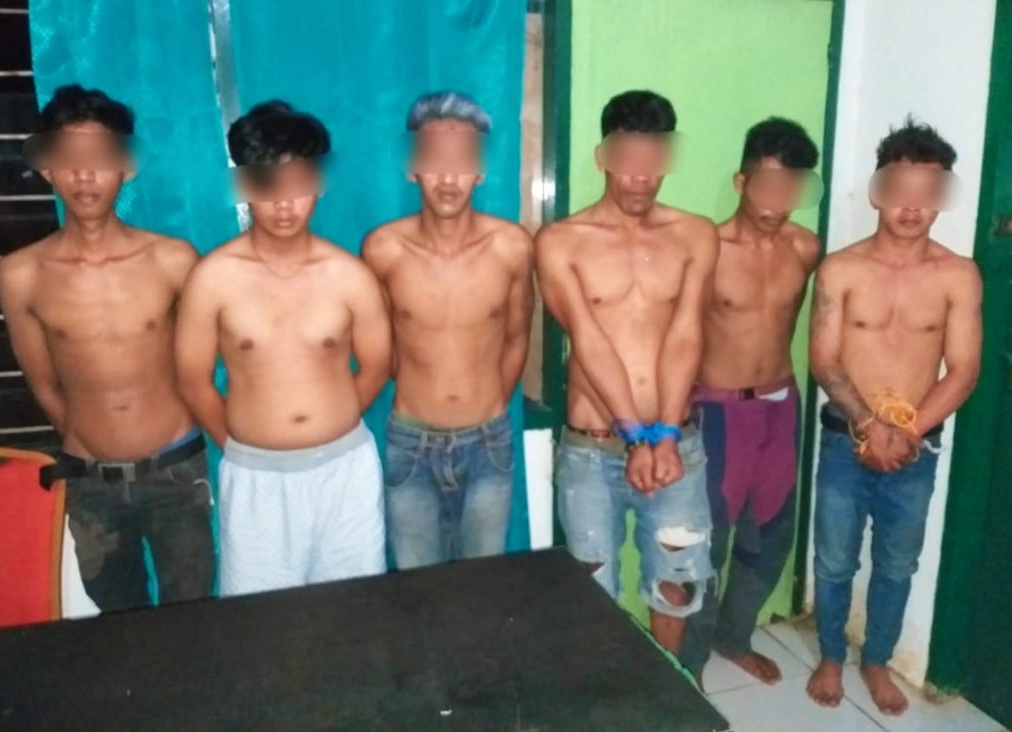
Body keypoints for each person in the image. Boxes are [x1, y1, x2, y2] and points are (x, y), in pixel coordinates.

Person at [0, 84, 214, 611]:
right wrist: (92, 446)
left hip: (175, 472)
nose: (85, 174)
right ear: (47, 169)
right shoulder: (21, 274)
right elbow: (43, 382)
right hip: (90, 482)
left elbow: (202, 361)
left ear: (127, 168)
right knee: (115, 626)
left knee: (193, 618)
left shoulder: (173, 260)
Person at [176, 101, 392, 596]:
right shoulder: (212, 279)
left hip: (345, 473)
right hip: (256, 480)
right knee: (262, 623)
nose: (284, 202)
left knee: (352, 611)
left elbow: (378, 364)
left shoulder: (350, 276)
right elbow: (192, 379)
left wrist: (330, 421)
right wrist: (243, 448)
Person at [806, 119, 981, 715]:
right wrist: (866, 426)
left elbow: (963, 369)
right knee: (833, 559)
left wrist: (904, 432)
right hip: (843, 438)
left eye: (928, 192)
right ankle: (832, 654)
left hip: (915, 445)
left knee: (898, 563)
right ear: (878, 192)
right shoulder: (840, 269)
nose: (912, 206)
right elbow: (824, 360)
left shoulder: (958, 275)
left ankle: (876, 659)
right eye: (900, 189)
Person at [537, 90, 718, 656]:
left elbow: (686, 335)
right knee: (591, 590)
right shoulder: (561, 241)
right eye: (627, 157)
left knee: (677, 584)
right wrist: (636, 435)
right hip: (592, 450)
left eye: (654, 157)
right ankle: (605, 695)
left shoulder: (696, 234)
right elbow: (588, 342)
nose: (641, 174)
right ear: (602, 158)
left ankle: (669, 685)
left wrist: (664, 435)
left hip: (675, 446)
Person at [362, 92, 534, 569]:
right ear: (411, 168)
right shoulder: (383, 249)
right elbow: (379, 346)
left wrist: (486, 408)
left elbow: (517, 336)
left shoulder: (512, 247)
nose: (448, 176)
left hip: (488, 442)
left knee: (484, 581)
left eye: (462, 161)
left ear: (480, 171)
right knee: (418, 585)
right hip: (410, 442)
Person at [681, 119, 821, 685]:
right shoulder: (707, 249)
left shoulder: (805, 248)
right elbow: (681, 336)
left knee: (771, 537)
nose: (779, 201)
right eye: (768, 185)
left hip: (781, 409)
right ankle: (688, 664)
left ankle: (733, 637)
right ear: (741, 181)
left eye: (792, 187)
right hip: (718, 411)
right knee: (705, 544)